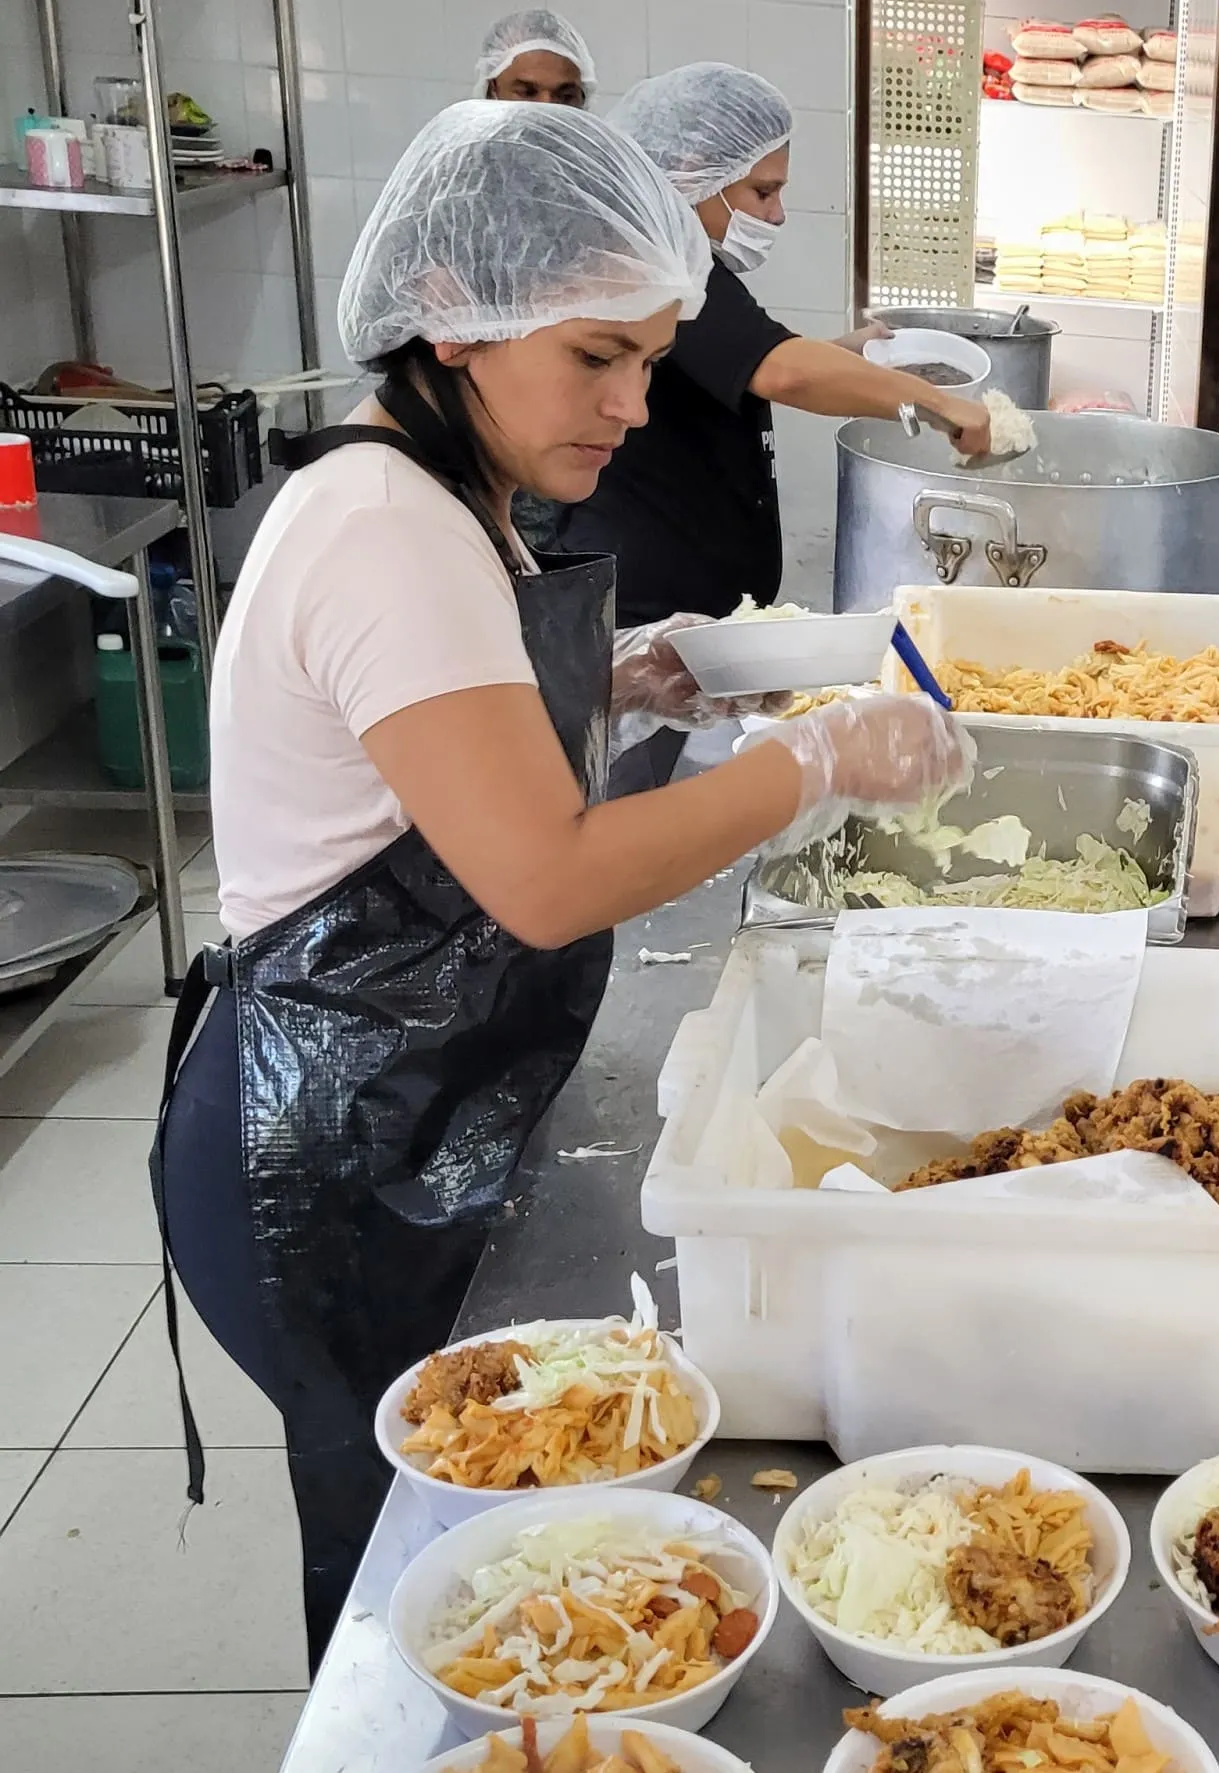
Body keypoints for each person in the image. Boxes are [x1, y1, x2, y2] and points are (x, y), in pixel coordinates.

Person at [149, 100, 969, 1667]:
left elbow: (425, 757)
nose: (635, 405)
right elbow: (541, 876)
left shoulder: (444, 499)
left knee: (484, 1541)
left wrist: (632, 686)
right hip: (320, 1148)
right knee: (422, 1558)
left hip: (403, 1098)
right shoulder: (388, 528)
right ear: (452, 313)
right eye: (598, 357)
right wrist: (810, 763)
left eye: (653, 360)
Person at [551, 62, 992, 641]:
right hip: (643, 609)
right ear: (689, 173)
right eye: (763, 191)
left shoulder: (670, 266)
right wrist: (938, 405)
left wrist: (844, 356)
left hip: (680, 607)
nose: (776, 214)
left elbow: (726, 372)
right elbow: (781, 371)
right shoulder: (661, 267)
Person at [475, 8, 594, 105]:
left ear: (583, 98)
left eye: (566, 96)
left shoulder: (599, 134)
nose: (547, 106)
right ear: (492, 91)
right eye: (527, 93)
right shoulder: (462, 134)